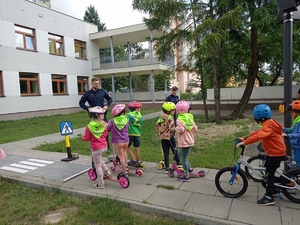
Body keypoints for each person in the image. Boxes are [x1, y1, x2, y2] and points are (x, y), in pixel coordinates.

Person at [236, 104, 286, 206]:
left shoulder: (267, 126)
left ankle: (269, 197)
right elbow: (258, 132)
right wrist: (244, 137)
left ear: (257, 117)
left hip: (275, 154)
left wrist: (244, 143)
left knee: (269, 175)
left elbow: (259, 135)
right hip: (276, 152)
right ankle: (274, 189)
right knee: (268, 171)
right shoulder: (269, 123)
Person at [82, 106, 111, 189]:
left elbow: (87, 138)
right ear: (98, 116)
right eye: (102, 114)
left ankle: (101, 183)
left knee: (97, 165)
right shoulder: (104, 124)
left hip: (96, 148)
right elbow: (105, 135)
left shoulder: (89, 126)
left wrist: (83, 138)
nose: (103, 115)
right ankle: (107, 172)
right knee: (99, 160)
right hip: (104, 146)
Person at [79, 77, 113, 150]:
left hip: (102, 115)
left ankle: (106, 146)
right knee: (94, 130)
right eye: (95, 83)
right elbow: (81, 103)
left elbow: (110, 99)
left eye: (98, 83)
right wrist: (87, 108)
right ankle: (95, 146)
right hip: (93, 115)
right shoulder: (88, 93)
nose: (97, 85)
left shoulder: (102, 92)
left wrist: (107, 106)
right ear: (91, 84)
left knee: (104, 129)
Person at [175, 101, 198, 182]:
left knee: (183, 158)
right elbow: (195, 129)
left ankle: (186, 175)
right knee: (182, 155)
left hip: (184, 142)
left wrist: (175, 128)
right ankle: (190, 170)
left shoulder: (179, 119)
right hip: (190, 141)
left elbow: (180, 130)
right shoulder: (190, 118)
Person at [107, 104, 130, 177]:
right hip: (126, 140)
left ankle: (124, 172)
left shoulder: (112, 121)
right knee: (125, 153)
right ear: (123, 113)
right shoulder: (126, 120)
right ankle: (126, 166)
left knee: (121, 157)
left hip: (118, 142)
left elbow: (107, 128)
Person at [155, 102, 177, 173]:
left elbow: (157, 126)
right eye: (173, 110)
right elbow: (172, 128)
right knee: (174, 150)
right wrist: (175, 130)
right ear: (168, 111)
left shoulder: (160, 117)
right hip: (169, 137)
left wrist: (160, 133)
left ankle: (167, 167)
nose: (174, 111)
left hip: (163, 138)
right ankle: (179, 163)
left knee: (166, 152)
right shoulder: (170, 118)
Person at [282, 100, 300, 167]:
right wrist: (284, 129)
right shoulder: (298, 121)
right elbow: (293, 129)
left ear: (296, 113)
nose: (291, 114)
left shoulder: (299, 122)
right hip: (297, 145)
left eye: (292, 112)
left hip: (298, 146)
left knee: (298, 163)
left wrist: (288, 135)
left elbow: (299, 134)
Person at [126, 101, 143, 167]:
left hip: (130, 133)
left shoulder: (128, 115)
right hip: (137, 134)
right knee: (137, 149)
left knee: (127, 147)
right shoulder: (140, 115)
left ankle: (133, 160)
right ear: (136, 109)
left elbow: (126, 122)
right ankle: (137, 163)